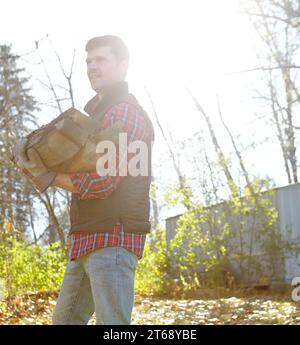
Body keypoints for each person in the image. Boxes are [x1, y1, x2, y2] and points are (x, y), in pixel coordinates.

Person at [16, 35, 154, 325]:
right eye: (89, 61)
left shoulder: (124, 112)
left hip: (112, 238)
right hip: (86, 239)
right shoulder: (97, 113)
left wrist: (49, 175)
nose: (92, 66)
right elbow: (88, 169)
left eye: (100, 59)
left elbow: (102, 182)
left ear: (123, 65)